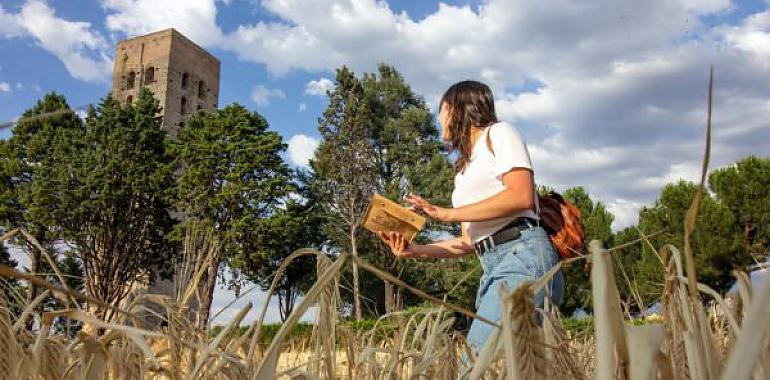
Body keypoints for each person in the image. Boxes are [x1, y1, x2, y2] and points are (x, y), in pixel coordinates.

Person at [378, 80, 564, 352]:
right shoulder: (463, 171)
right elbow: (468, 241)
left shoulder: (499, 134)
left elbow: (521, 195)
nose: (438, 117)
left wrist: (445, 214)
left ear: (458, 108)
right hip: (491, 265)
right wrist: (414, 250)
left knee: (476, 364)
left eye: (441, 109)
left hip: (523, 255)